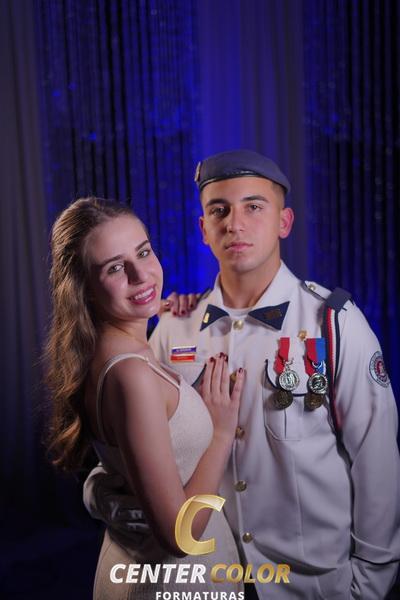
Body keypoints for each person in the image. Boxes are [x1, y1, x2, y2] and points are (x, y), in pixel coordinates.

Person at [83, 151, 400, 599]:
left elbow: (376, 459)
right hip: (211, 578)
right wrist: (102, 494)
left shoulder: (334, 323)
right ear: (203, 229)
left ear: (284, 222)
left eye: (254, 206)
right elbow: (135, 446)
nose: (235, 223)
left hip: (312, 586)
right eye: (219, 210)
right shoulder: (173, 328)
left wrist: (369, 584)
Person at [44, 197, 246, 599]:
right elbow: (179, 535)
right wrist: (221, 434)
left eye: (143, 252)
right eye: (115, 267)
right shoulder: (130, 374)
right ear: (83, 288)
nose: (142, 275)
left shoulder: (114, 349)